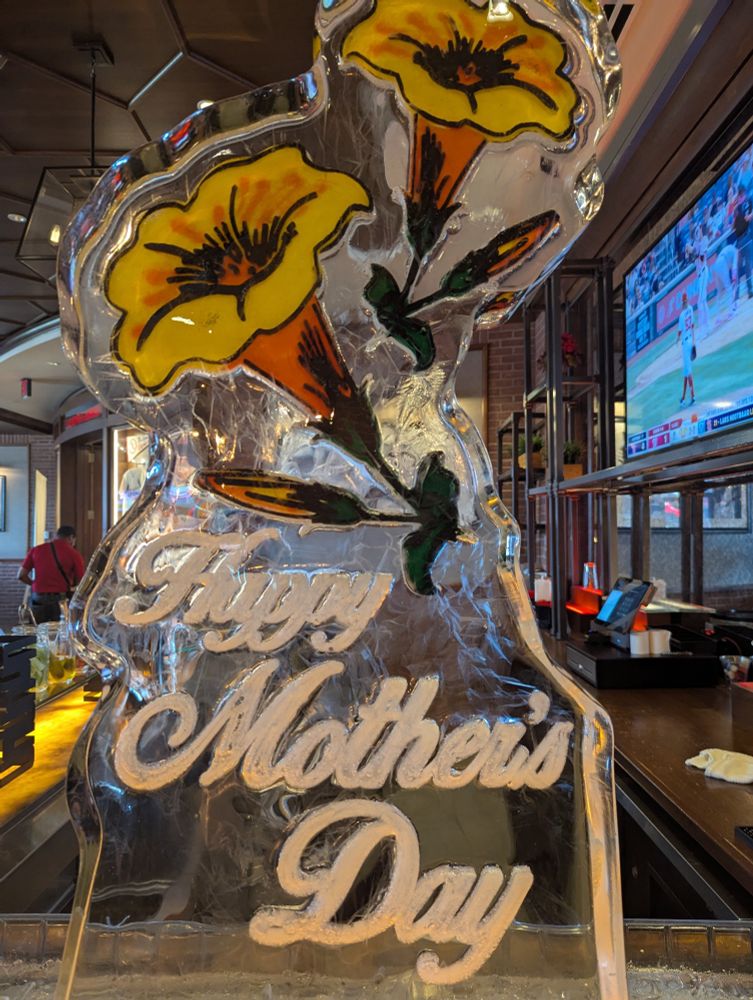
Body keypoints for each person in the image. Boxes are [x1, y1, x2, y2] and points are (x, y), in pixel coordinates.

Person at [18, 526, 85, 624]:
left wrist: (34, 584)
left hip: (38, 597)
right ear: (71, 538)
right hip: (60, 599)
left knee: (37, 628)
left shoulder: (36, 550)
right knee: (59, 629)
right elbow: (82, 581)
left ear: (57, 535)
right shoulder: (74, 554)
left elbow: (20, 575)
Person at [677, 292, 697, 408]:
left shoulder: (681, 315)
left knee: (688, 371)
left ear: (682, 302)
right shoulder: (691, 308)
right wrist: (694, 341)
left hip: (685, 344)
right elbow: (693, 325)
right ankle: (683, 398)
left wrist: (676, 339)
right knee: (685, 371)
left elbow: (679, 332)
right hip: (690, 341)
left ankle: (693, 396)